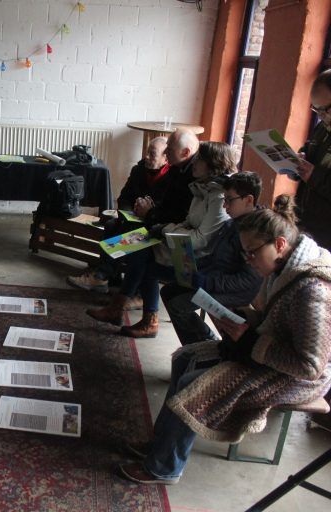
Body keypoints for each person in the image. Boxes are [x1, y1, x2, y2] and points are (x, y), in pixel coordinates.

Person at [118, 196, 331, 485]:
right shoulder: (283, 269)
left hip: (297, 377)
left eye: (252, 253)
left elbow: (310, 367)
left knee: (193, 382)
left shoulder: (312, 290)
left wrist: (250, 340)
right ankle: (160, 443)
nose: (249, 261)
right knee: (185, 358)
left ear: (280, 244)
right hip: (267, 353)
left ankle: (164, 467)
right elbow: (276, 321)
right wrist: (247, 322)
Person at [87, 141, 232, 338]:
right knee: (138, 244)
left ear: (212, 165)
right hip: (184, 245)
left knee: (143, 254)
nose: (195, 162)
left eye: (200, 159)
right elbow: (188, 222)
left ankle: (129, 312)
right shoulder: (202, 188)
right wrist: (163, 229)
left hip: (197, 260)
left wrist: (164, 229)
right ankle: (130, 312)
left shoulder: (219, 196)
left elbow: (200, 240)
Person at [161, 172, 263, 345]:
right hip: (215, 279)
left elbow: (247, 280)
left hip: (235, 291)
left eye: (229, 200)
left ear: (249, 200)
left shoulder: (254, 233)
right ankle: (204, 341)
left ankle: (202, 345)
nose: (224, 205)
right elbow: (216, 257)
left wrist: (207, 282)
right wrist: (191, 267)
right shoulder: (231, 223)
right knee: (168, 291)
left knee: (179, 305)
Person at [67, 137, 172, 293]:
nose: (146, 157)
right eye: (147, 152)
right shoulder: (138, 170)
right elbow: (124, 197)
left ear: (165, 158)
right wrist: (128, 213)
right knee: (111, 225)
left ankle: (101, 276)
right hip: (134, 218)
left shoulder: (171, 178)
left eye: (152, 154)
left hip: (154, 223)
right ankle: (111, 278)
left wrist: (146, 214)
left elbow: (166, 211)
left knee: (130, 232)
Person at [296, 69, 331, 250]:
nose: (321, 116)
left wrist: (313, 175)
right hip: (305, 221)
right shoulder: (323, 127)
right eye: (316, 109)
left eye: (325, 110)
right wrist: (299, 158)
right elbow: (309, 148)